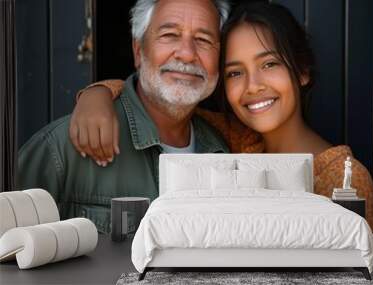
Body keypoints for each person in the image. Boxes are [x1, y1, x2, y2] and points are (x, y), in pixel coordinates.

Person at [70, 2, 373, 233]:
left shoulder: (342, 178)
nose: (253, 86)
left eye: (269, 64)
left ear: (302, 72)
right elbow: (161, 103)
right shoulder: (230, 137)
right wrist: (99, 94)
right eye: (235, 72)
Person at [17, 0, 231, 233]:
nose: (187, 54)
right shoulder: (62, 148)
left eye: (203, 40)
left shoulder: (225, 154)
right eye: (170, 35)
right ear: (138, 51)